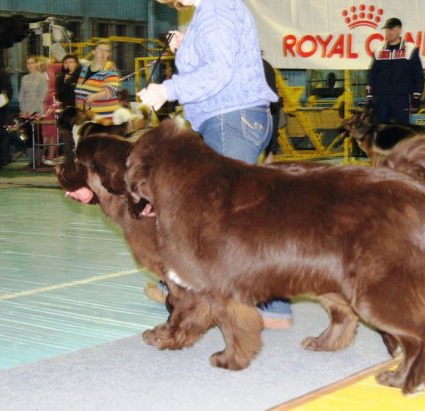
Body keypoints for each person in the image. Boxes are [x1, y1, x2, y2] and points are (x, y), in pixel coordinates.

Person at [139, 0, 290, 329]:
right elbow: (219, 64)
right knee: (238, 218)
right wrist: (187, 46)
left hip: (230, 120)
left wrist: (167, 89)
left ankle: (266, 303)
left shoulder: (217, 9)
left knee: (226, 223)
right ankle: (267, 302)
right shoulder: (214, 9)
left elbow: (218, 73)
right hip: (234, 119)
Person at [367, 17, 425, 124]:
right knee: (381, 133)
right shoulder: (378, 50)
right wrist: (370, 96)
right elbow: (372, 75)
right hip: (381, 99)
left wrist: (416, 96)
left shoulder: (410, 49)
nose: (389, 32)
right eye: (387, 30)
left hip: (401, 98)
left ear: (399, 30)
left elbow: (418, 75)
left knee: (402, 133)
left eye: (392, 29)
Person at [75, 41, 121, 121]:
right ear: (93, 52)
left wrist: (93, 97)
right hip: (86, 116)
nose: (103, 53)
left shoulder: (110, 70)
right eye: (100, 50)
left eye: (106, 51)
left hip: (103, 118)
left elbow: (110, 91)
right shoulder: (85, 69)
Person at [18, 55, 48, 166]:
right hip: (25, 112)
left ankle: (38, 160)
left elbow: (42, 96)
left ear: (36, 64)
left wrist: (31, 111)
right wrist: (23, 110)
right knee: (28, 136)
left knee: (37, 135)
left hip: (37, 110)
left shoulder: (42, 77)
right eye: (28, 63)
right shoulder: (24, 78)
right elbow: (21, 95)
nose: (30, 65)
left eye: (32, 63)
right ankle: (31, 160)